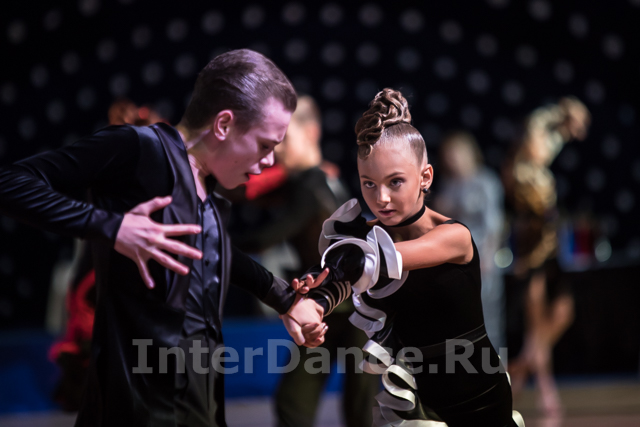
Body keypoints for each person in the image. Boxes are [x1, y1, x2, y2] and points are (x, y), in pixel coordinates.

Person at [0, 49, 326, 427]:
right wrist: (112, 226)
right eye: (265, 145)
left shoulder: (209, 189)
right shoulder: (139, 148)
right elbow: (11, 183)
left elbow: (213, 250)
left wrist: (285, 299)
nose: (270, 160)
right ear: (224, 124)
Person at [284, 89, 524, 426]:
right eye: (369, 183)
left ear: (425, 177)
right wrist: (316, 302)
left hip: (479, 396)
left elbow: (374, 261)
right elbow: (347, 272)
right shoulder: (362, 239)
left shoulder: (454, 237)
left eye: (395, 182)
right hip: (417, 396)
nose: (380, 198)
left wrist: (332, 274)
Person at [229, 95, 378, 427]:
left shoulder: (310, 184)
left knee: (352, 404)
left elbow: (264, 237)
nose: (277, 150)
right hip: (334, 306)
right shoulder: (323, 180)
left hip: (347, 306)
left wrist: (210, 242)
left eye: (285, 139)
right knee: (306, 402)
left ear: (311, 133)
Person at [503, 97, 590, 416]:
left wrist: (568, 121)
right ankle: (545, 388)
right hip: (533, 245)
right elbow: (540, 128)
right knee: (537, 319)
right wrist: (564, 113)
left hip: (553, 245)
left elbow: (556, 136)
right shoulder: (523, 170)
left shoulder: (540, 163)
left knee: (562, 312)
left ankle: (521, 367)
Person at [434, 131, 505, 350]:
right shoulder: (449, 184)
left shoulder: (486, 181)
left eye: (457, 153)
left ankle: (493, 363)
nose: (453, 160)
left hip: (482, 256)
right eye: (449, 155)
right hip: (455, 260)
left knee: (487, 315)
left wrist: (489, 256)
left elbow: (494, 223)